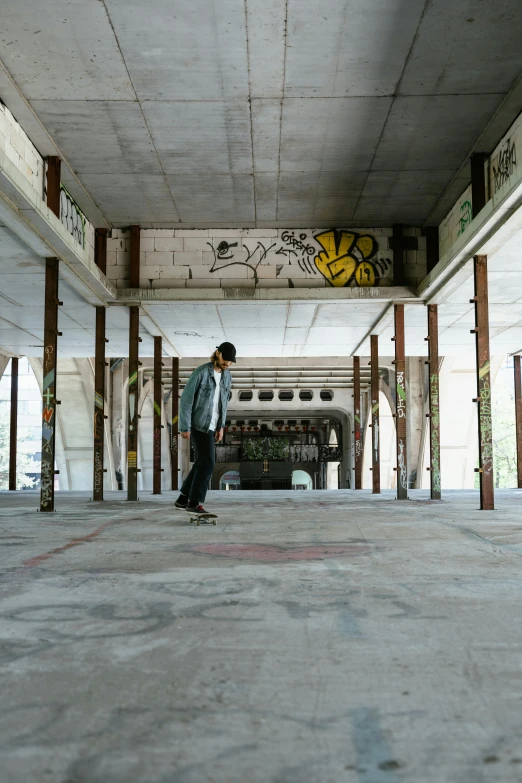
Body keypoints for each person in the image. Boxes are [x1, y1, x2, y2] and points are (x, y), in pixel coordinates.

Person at [175, 342, 236, 514]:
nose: (227, 364)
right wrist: (185, 426)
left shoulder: (227, 376)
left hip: (212, 425)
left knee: (202, 462)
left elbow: (223, 403)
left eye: (230, 362)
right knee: (208, 463)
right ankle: (193, 503)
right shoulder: (201, 372)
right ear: (218, 353)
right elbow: (186, 400)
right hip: (198, 425)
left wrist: (221, 426)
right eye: (226, 360)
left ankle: (182, 499)